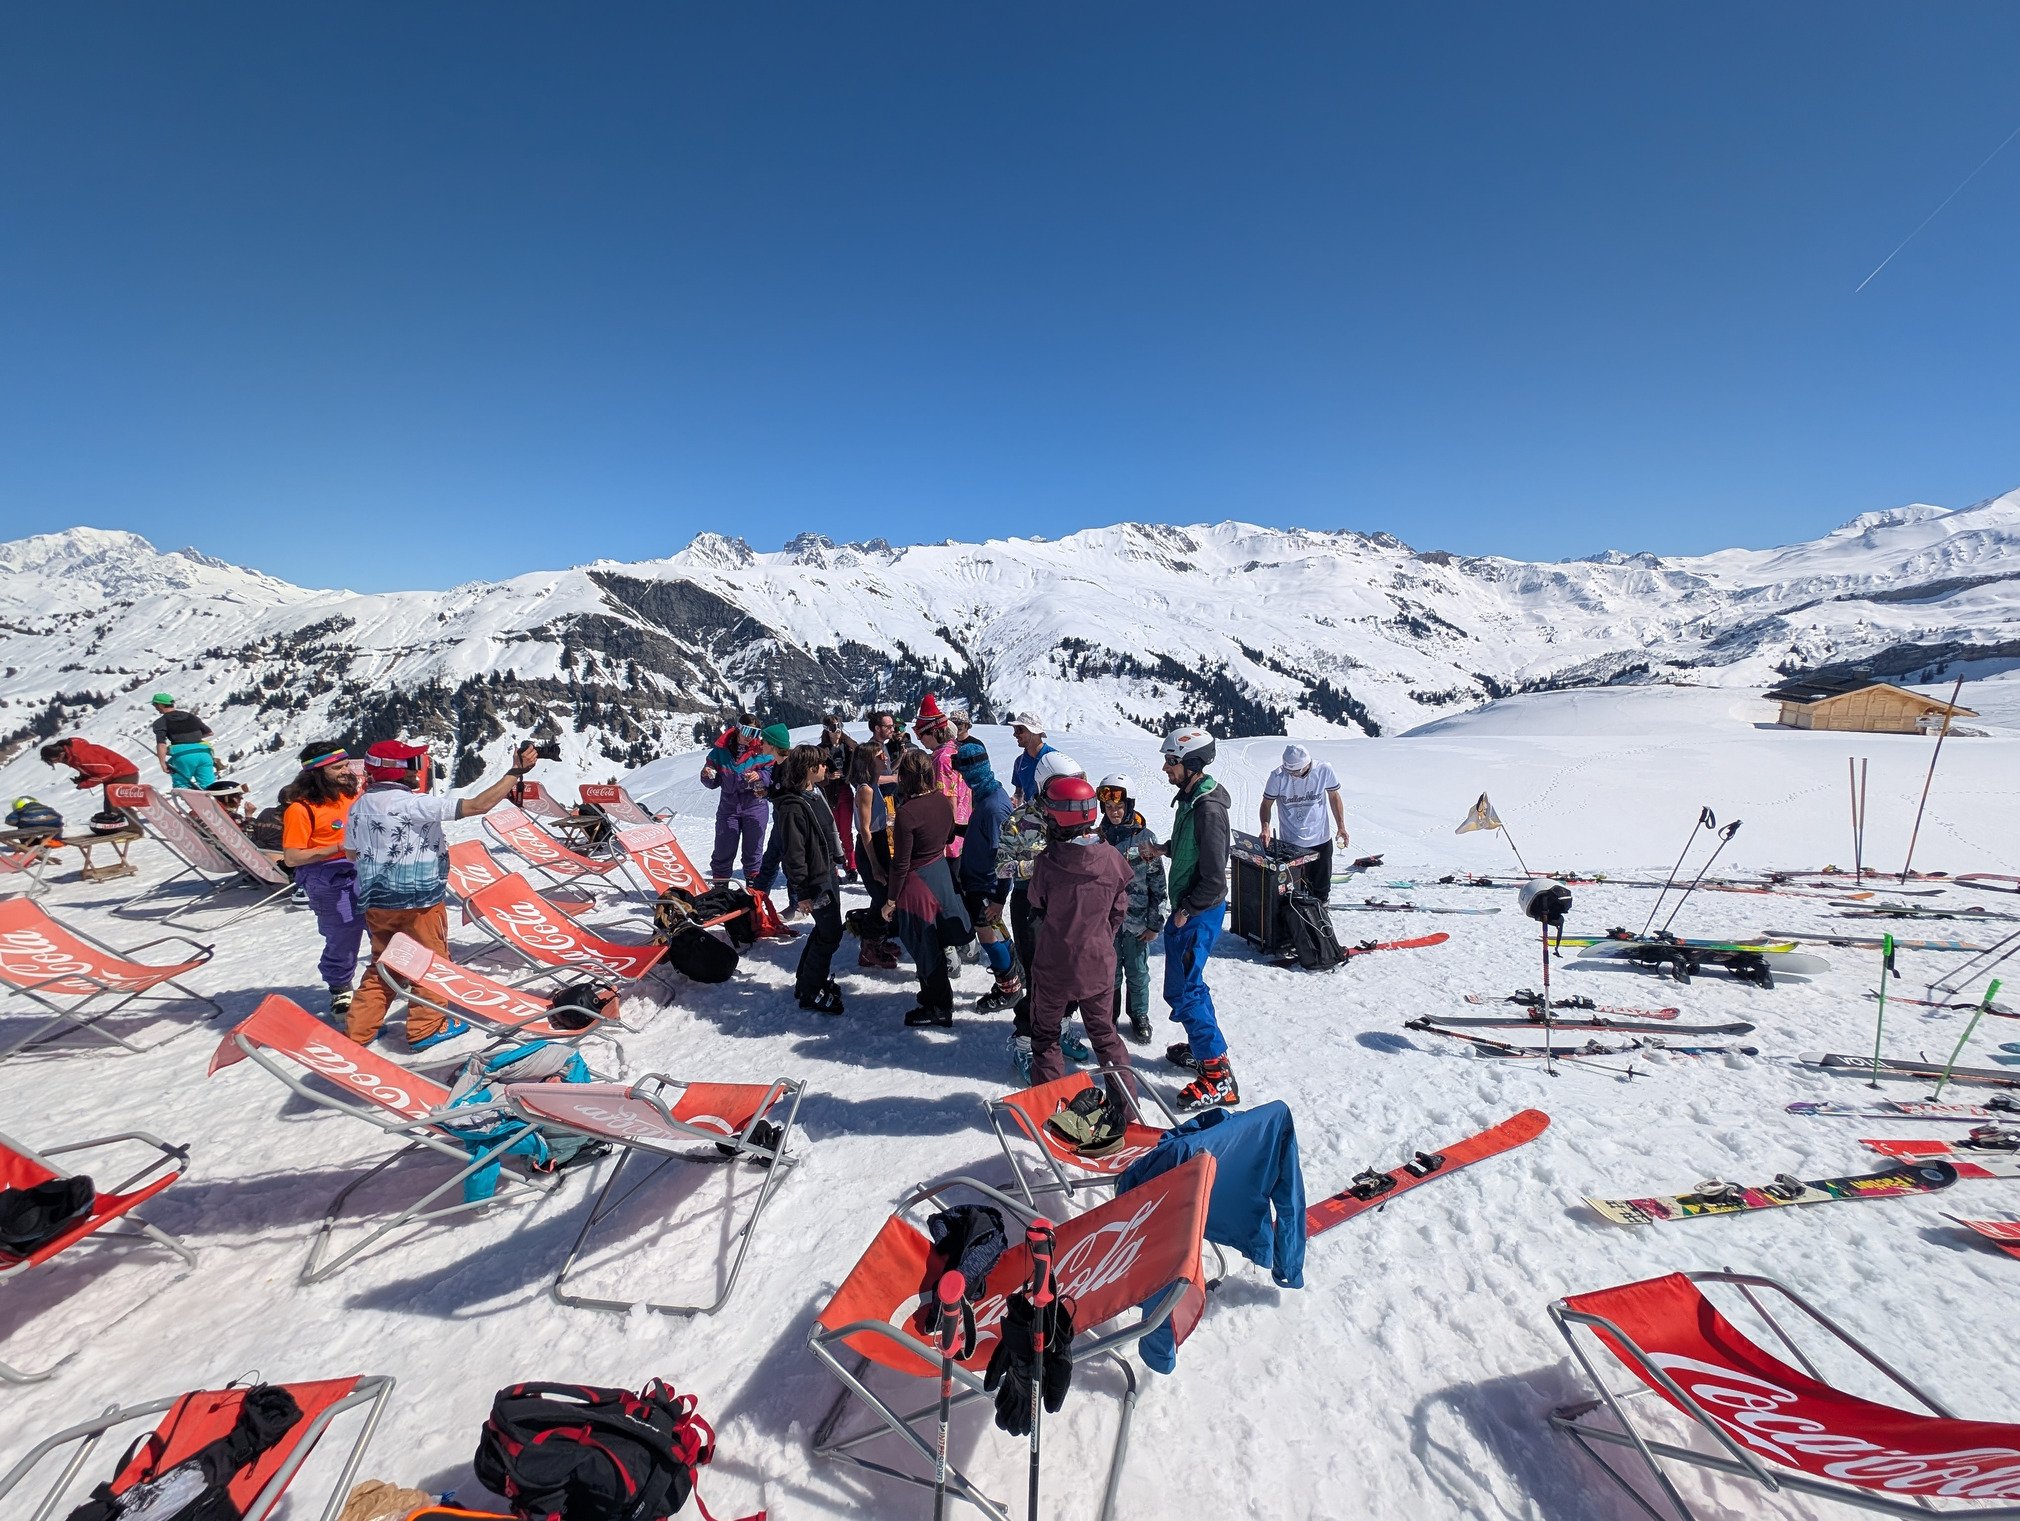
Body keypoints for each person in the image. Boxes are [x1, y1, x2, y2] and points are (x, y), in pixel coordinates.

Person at [343, 739, 541, 1050]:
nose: (418, 769)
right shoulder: (413, 804)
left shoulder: (359, 807)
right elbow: (478, 806)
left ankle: (360, 1030)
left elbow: (351, 853)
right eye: (413, 763)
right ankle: (426, 1028)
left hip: (376, 901)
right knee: (431, 962)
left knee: (385, 961)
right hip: (419, 901)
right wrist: (516, 772)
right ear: (398, 770)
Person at [1026, 775, 1136, 1091]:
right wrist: (1099, 937)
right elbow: (1118, 910)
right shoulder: (1111, 857)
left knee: (1046, 1037)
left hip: (1054, 966)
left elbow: (1037, 903)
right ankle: (1127, 1106)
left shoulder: (1048, 862)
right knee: (1105, 1036)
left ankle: (1051, 1106)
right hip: (1097, 963)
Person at [1150, 725, 1237, 1109]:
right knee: (1186, 986)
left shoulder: (1208, 809)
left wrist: (1186, 910)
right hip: (1192, 907)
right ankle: (1204, 1048)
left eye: (1172, 761)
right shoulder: (1191, 798)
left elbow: (1215, 878)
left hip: (1198, 910)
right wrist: (1165, 849)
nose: (1166, 768)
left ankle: (1218, 1077)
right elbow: (1193, 849)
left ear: (1193, 763)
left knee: (1184, 989)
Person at [991, 751, 1085, 1072]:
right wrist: (1038, 866)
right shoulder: (1019, 821)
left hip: (1067, 902)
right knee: (1038, 977)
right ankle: (1024, 1041)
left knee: (1070, 971)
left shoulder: (1075, 815)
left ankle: (1061, 1027)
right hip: (1031, 905)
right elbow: (1001, 866)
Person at [881, 748, 972, 1027]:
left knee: (925, 946)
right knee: (936, 940)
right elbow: (949, 837)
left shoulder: (907, 812)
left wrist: (891, 900)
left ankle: (938, 1006)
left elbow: (901, 862)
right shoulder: (942, 800)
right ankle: (936, 998)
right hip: (939, 872)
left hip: (917, 884)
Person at [280, 744, 365, 1017]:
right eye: (337, 767)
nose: (346, 771)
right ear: (316, 772)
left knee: (384, 924)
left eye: (346, 765)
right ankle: (340, 988)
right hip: (327, 878)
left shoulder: (352, 794)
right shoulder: (300, 808)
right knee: (343, 933)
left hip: (363, 869)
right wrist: (339, 848)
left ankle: (393, 975)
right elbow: (292, 857)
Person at [772, 744, 847, 1015]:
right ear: (808, 769)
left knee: (827, 930)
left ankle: (807, 982)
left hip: (826, 872)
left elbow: (827, 831)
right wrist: (801, 891)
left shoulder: (815, 793)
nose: (826, 767)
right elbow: (794, 853)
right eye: (821, 764)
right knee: (830, 934)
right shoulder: (793, 807)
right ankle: (810, 991)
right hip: (815, 880)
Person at [954, 717, 1019, 1007]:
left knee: (987, 934)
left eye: (964, 771)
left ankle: (1008, 989)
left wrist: (999, 898)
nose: (962, 777)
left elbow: (1003, 855)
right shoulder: (989, 794)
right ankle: (1016, 971)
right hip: (982, 881)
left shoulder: (993, 807)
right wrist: (956, 830)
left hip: (987, 885)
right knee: (995, 930)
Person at [1097, 774, 1167, 1044]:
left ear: (1129, 806)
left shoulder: (1145, 840)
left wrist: (1154, 923)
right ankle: (1109, 1016)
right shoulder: (1099, 838)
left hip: (1137, 921)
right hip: (1107, 922)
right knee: (1110, 972)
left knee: (1137, 971)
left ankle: (1139, 1015)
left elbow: (1157, 884)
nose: (1114, 812)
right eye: (1109, 807)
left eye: (1119, 807)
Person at [1260, 743, 1350, 897]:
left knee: (1321, 886)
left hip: (1320, 839)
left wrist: (1341, 826)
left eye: (1298, 772)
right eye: (1290, 772)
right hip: (1291, 842)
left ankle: (1321, 908)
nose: (1294, 775)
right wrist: (1265, 828)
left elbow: (1334, 796)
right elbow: (1266, 804)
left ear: (1308, 765)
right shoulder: (1277, 776)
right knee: (1293, 888)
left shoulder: (1324, 770)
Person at [850, 712, 902, 968]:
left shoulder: (871, 786)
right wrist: (875, 865)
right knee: (881, 896)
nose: (885, 759)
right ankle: (870, 946)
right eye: (880, 757)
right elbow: (865, 830)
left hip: (879, 841)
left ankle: (877, 941)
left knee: (884, 894)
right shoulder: (866, 790)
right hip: (870, 847)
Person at [700, 718, 771, 887]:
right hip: (729, 806)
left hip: (755, 805)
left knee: (753, 849)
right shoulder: (720, 751)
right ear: (738, 729)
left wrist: (760, 776)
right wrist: (707, 775)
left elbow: (772, 773)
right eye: (747, 731)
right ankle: (720, 888)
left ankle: (753, 889)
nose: (750, 737)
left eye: (755, 733)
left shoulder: (761, 750)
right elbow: (713, 782)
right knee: (723, 847)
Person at [41, 737, 141, 814]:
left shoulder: (80, 755)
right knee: (110, 808)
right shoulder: (72, 755)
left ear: (61, 754)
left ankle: (132, 830)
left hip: (123, 774)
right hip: (115, 776)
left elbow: (106, 771)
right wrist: (83, 777)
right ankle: (116, 829)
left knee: (118, 805)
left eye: (54, 760)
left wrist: (85, 784)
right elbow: (93, 768)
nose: (56, 762)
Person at [817, 714, 860, 881]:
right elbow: (815, 773)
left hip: (845, 790)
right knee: (831, 832)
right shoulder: (822, 750)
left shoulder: (847, 746)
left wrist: (847, 740)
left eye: (840, 726)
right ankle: (833, 868)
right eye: (834, 727)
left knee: (846, 832)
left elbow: (859, 751)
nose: (838, 730)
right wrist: (828, 776)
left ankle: (851, 866)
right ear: (827, 730)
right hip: (829, 794)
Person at [149, 694, 218, 790]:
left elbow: (161, 744)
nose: (155, 708)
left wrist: (162, 763)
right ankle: (214, 798)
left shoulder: (161, 722)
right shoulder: (191, 716)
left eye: (155, 705)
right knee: (209, 786)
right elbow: (209, 733)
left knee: (181, 786)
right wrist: (190, 738)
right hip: (205, 754)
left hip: (183, 756)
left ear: (160, 705)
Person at [1007, 714, 1054, 804]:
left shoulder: (1054, 759)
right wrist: (1016, 799)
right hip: (1030, 811)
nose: (1015, 734)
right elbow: (1019, 793)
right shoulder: (1019, 762)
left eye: (1019, 729)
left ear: (1033, 732)